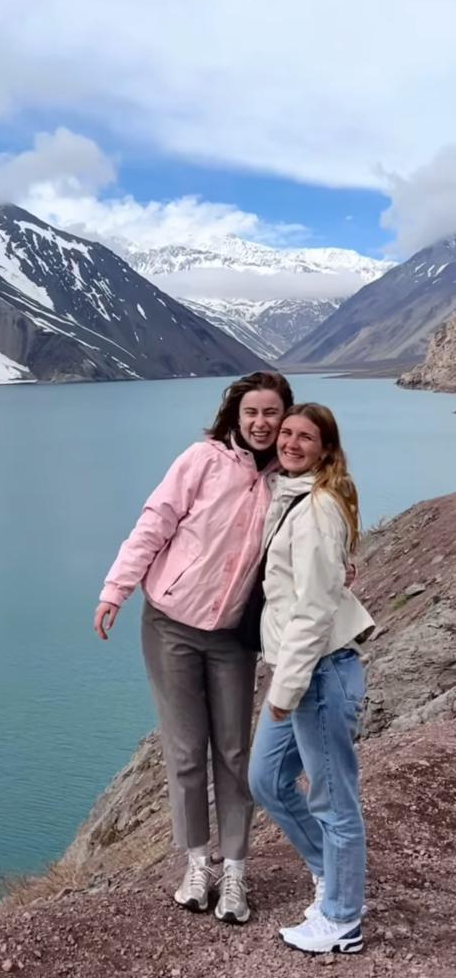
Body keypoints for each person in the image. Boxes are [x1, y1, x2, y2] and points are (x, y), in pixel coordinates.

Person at [93, 371, 294, 926]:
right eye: (251, 412)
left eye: (271, 413)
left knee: (233, 753)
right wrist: (116, 589)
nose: (260, 422)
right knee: (185, 752)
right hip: (171, 625)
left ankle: (236, 872)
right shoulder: (201, 461)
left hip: (232, 636)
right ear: (236, 415)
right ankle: (196, 865)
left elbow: (314, 532)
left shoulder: (288, 481)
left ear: (284, 419)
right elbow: (154, 524)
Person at [248, 403, 374, 957]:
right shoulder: (293, 496)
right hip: (302, 673)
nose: (291, 443)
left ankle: (343, 919)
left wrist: (285, 689)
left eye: (306, 437)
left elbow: (315, 610)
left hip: (316, 675)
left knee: (334, 801)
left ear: (326, 448)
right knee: (266, 780)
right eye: (287, 433)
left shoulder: (317, 508)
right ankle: (331, 877)